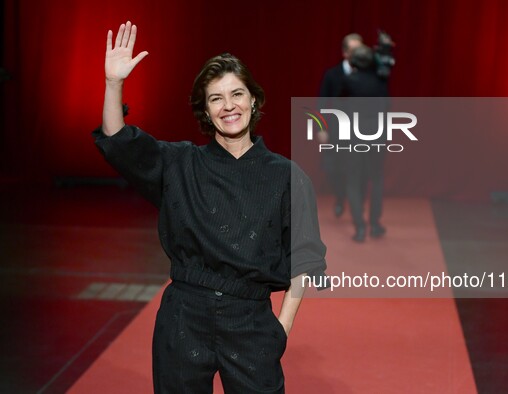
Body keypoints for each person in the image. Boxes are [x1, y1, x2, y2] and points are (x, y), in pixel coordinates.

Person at [94, 21, 327, 393]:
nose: (228, 106)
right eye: (216, 98)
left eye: (237, 94)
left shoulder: (287, 176)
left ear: (254, 99)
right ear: (205, 110)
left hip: (250, 321)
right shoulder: (181, 164)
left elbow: (304, 259)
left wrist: (279, 330)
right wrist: (113, 83)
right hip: (184, 315)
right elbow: (118, 140)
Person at [341, 44, 391, 242]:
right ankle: (375, 224)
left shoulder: (349, 82)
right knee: (377, 180)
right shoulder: (381, 82)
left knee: (353, 181)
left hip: (354, 135)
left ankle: (360, 227)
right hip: (378, 134)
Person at [318, 33, 363, 218]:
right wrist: (321, 128)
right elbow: (321, 103)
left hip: (361, 132)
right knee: (334, 169)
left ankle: (356, 205)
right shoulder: (332, 74)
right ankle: (340, 197)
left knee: (359, 170)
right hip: (336, 131)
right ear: (345, 53)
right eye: (354, 51)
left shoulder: (368, 75)